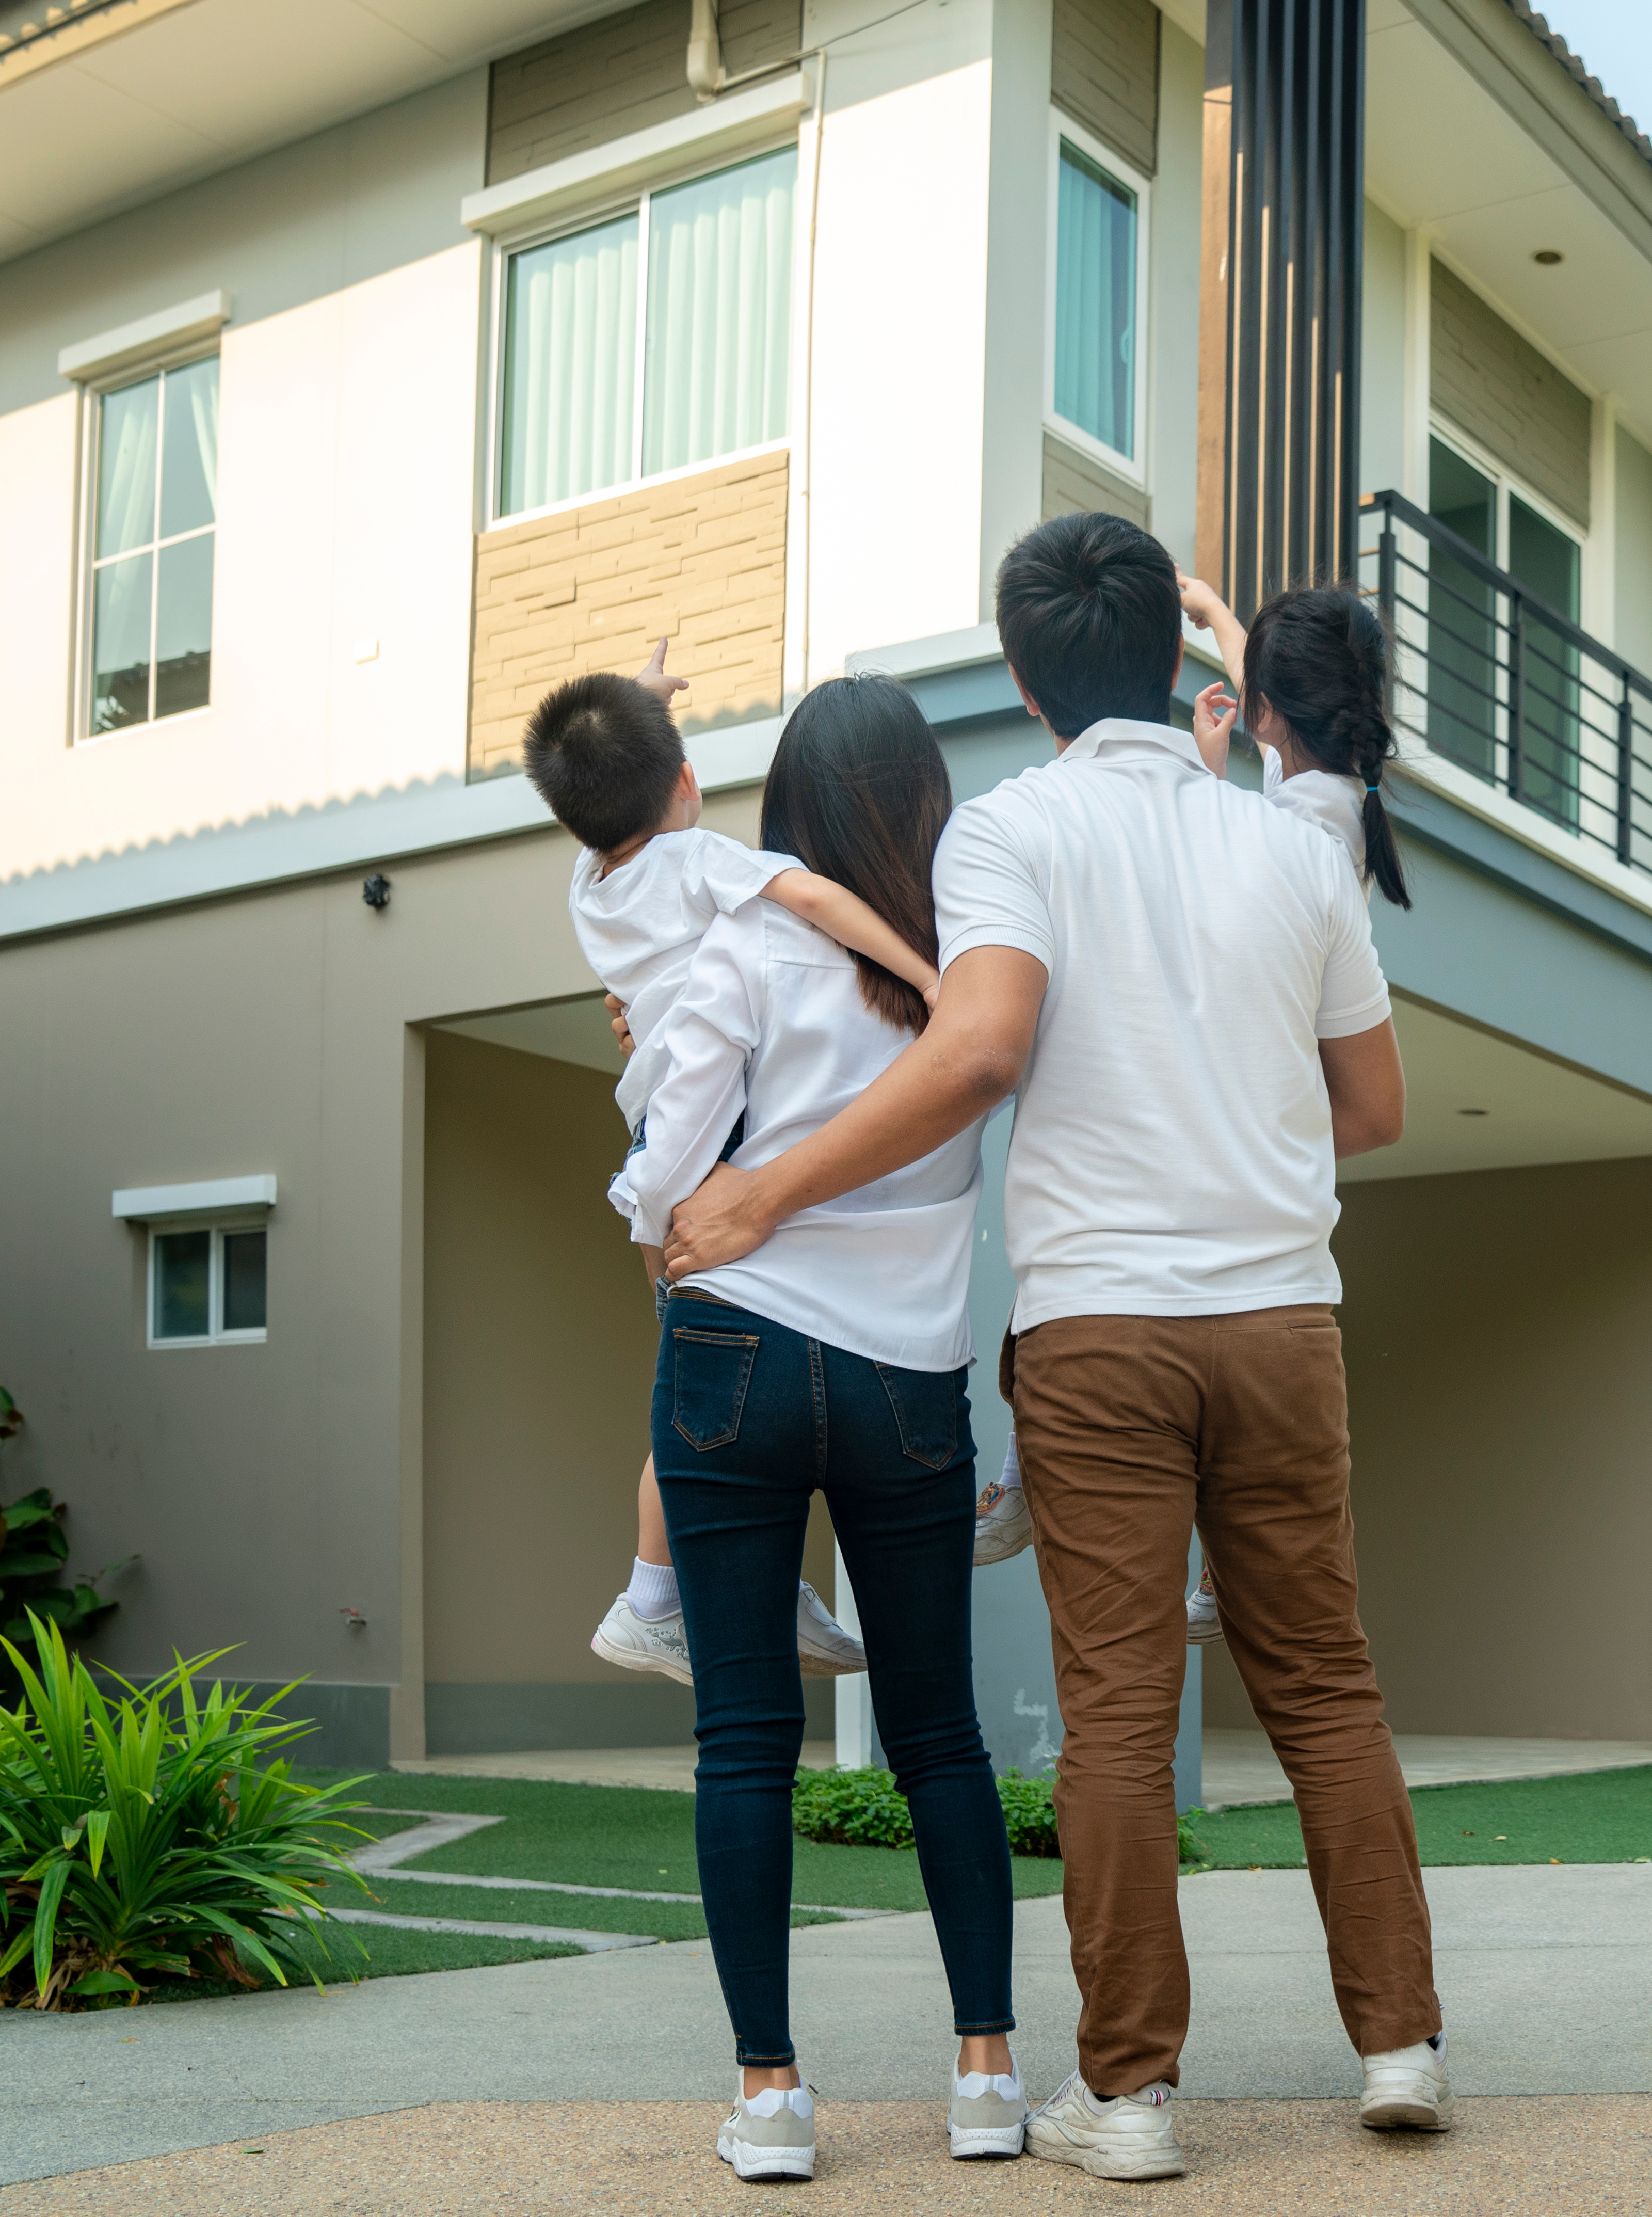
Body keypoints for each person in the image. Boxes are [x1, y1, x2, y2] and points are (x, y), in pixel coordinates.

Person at [663, 513, 1447, 2184]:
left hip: (1100, 1331)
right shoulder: (1293, 851)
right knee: (1326, 1685)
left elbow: (981, 1047)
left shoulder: (1008, 831)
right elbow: (1370, 1107)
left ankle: (1133, 2096)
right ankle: (1396, 2043)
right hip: (1282, 1320)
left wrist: (760, 1195)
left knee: (1112, 1703)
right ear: (1177, 657)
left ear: (1021, 677)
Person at [611, 674, 1028, 2181]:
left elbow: (670, 1174)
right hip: (909, 1386)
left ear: (785, 812)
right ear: (925, 806)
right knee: (938, 1737)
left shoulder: (742, 944)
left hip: (733, 1357)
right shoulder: (970, 974)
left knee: (744, 1742)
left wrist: (640, 1064)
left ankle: (773, 2100)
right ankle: (985, 2077)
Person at [525, 640, 920, 1687]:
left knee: (699, 1382)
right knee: (700, 1387)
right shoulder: (702, 864)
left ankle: (722, 1585)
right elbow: (820, 903)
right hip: (705, 1140)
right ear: (689, 787)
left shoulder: (588, 884)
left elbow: (611, 785)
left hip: (659, 1130)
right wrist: (932, 973)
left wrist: (639, 703)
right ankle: (652, 1598)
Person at [1165, 576, 1416, 1649]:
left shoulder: (1287, 838)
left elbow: (1209, 878)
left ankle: (1043, 1477)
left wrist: (1200, 774)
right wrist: (1223, 621)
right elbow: (1280, 724)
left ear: (1269, 713)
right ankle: (1224, 1576)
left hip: (1265, 1097)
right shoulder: (1337, 788)